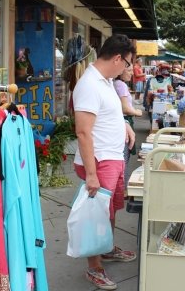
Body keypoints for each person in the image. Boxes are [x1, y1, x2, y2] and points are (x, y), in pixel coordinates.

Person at [73, 33, 136, 290]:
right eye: (128, 63)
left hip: (112, 156)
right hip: (99, 161)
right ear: (118, 58)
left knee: (109, 211)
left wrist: (124, 126)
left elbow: (107, 112)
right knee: (96, 215)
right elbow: (83, 132)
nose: (129, 68)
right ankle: (94, 267)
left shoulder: (106, 81)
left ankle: (106, 249)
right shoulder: (89, 84)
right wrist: (91, 174)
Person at [114, 65, 143, 188]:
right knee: (124, 157)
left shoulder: (114, 83)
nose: (132, 73)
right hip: (124, 122)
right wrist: (137, 112)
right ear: (121, 70)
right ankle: (122, 189)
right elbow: (125, 108)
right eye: (129, 70)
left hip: (119, 122)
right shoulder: (121, 85)